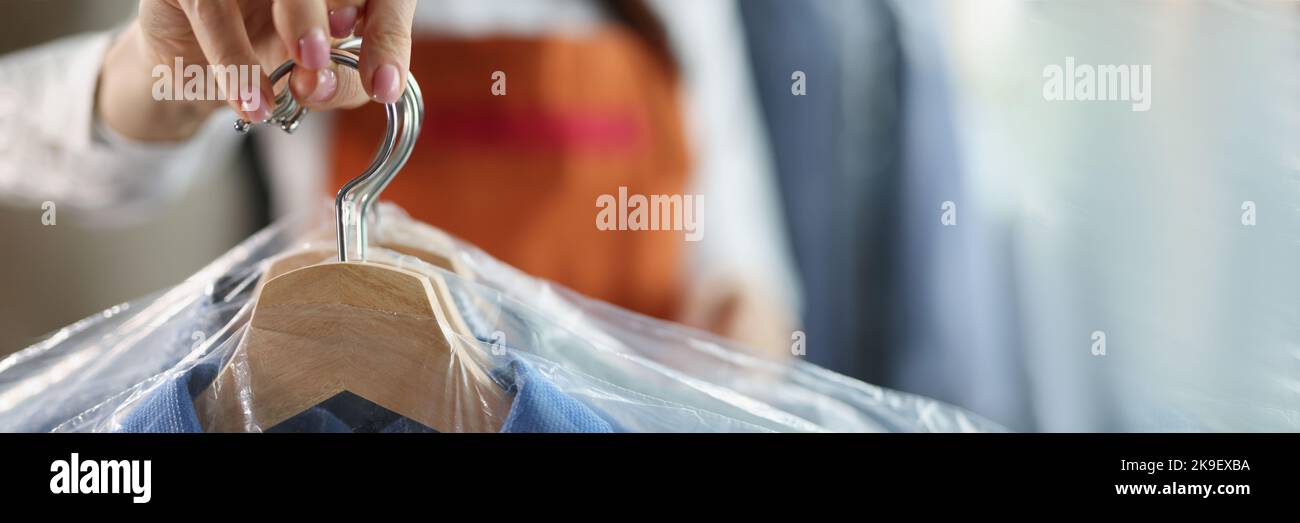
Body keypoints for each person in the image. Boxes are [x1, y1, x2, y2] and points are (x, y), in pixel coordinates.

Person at [0, 0, 800, 357]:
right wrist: (158, 78)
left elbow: (742, 269)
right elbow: (31, 141)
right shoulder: (321, 15)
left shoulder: (684, 12)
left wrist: (724, 376)